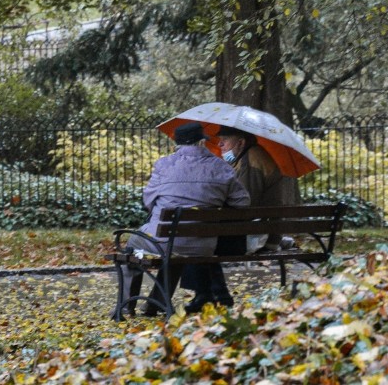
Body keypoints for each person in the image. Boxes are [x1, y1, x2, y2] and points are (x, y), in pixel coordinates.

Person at [117, 122, 250, 317]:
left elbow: (149, 200)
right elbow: (243, 202)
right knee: (175, 246)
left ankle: (126, 306)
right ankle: (156, 304)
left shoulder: (164, 165)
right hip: (204, 245)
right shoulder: (221, 167)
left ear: (177, 143)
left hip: (166, 240)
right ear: (202, 142)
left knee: (133, 244)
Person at [180, 125, 301, 313]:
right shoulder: (245, 158)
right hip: (257, 229)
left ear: (241, 142)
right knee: (199, 238)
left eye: (225, 140)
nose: (219, 144)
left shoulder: (251, 162)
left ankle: (211, 295)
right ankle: (214, 295)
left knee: (197, 240)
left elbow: (243, 205)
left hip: (256, 236)